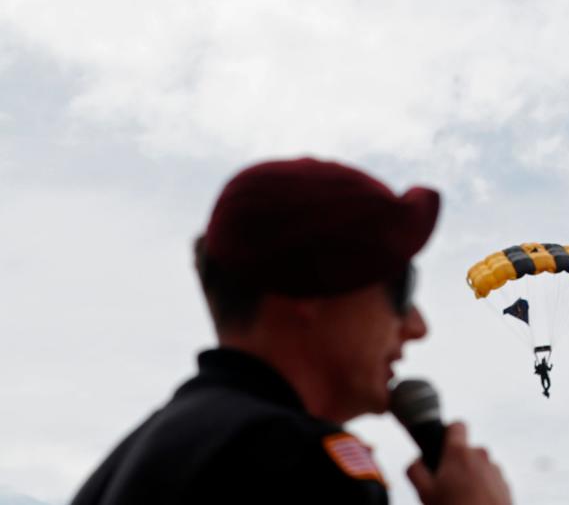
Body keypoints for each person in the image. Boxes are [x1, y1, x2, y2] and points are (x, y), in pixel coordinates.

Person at [69, 157, 513, 505]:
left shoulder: (129, 464)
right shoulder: (295, 461)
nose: (417, 327)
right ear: (310, 289)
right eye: (400, 289)